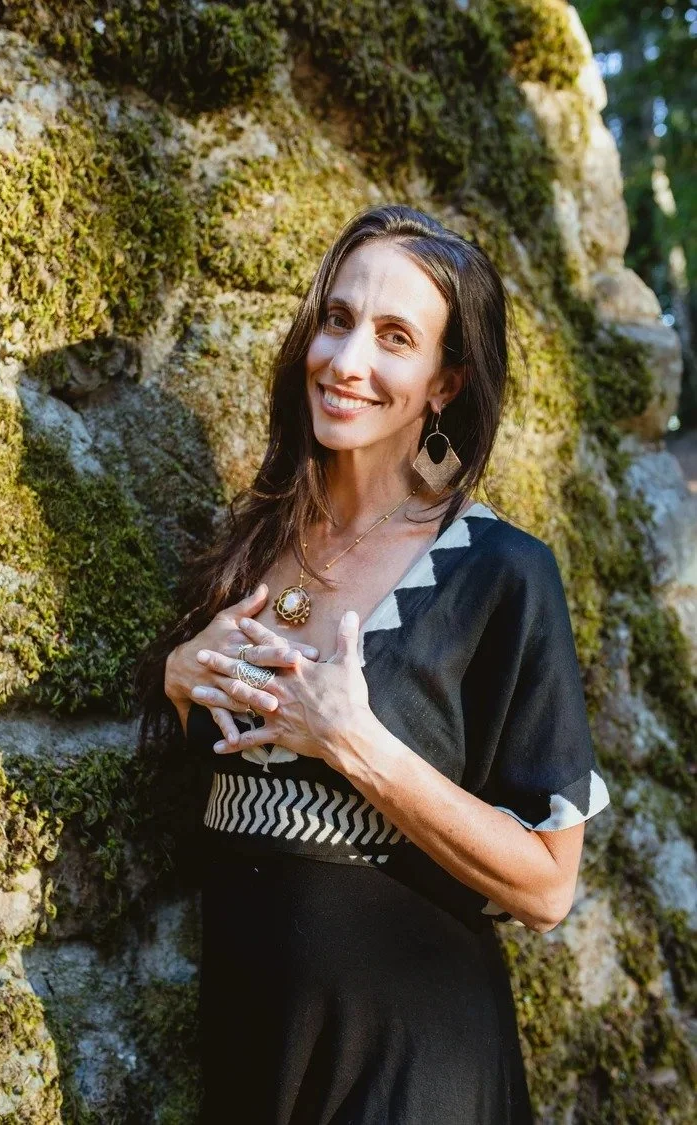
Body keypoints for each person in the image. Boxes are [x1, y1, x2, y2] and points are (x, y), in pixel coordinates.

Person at [134, 204, 611, 1124]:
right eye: (338, 319)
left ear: (446, 381)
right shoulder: (252, 546)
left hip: (411, 1066)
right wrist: (179, 681)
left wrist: (357, 743)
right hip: (253, 1055)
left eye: (395, 337)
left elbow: (548, 885)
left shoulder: (501, 573)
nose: (347, 360)